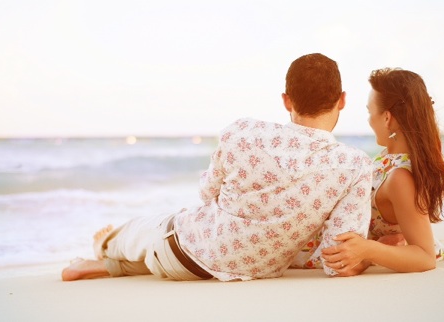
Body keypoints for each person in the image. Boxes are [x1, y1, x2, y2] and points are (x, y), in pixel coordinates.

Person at [61, 53, 373, 282]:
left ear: (286, 101)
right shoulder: (355, 165)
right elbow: (337, 259)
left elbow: (206, 193)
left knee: (144, 233)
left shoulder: (242, 131)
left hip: (184, 252)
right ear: (342, 100)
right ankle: (100, 264)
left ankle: (105, 245)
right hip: (253, 267)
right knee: (166, 243)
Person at [293, 67, 444, 275]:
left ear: (387, 118)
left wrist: (369, 250)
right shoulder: (388, 160)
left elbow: (425, 257)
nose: (369, 120)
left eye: (370, 113)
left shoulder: (400, 177)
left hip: (326, 252)